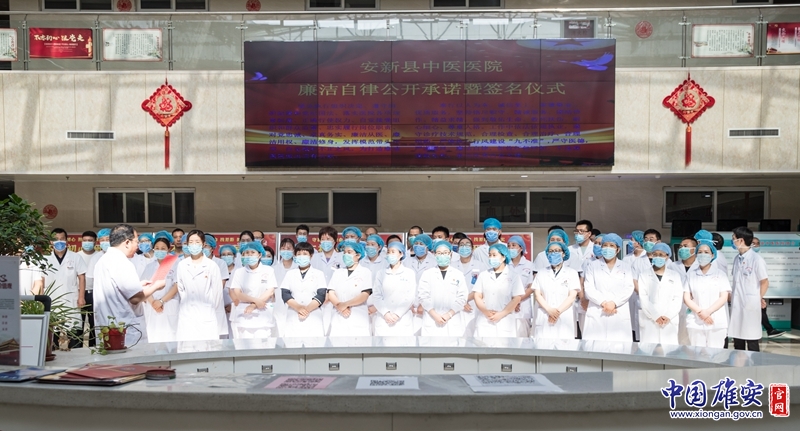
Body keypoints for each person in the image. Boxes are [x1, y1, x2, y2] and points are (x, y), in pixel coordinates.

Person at [93, 224, 168, 347]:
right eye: (136, 241)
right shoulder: (122, 262)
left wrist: (138, 285)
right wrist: (156, 286)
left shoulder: (103, 260)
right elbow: (135, 298)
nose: (138, 246)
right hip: (125, 331)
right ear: (127, 242)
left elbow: (116, 289)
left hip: (110, 326)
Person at [582, 233, 635, 343]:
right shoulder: (593, 266)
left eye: (611, 246)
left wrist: (614, 303)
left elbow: (629, 288)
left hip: (618, 310)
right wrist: (603, 303)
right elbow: (589, 287)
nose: (608, 248)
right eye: (605, 245)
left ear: (618, 249)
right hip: (598, 310)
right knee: (594, 346)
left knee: (618, 346)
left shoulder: (625, 267)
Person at [174, 230, 226, 341]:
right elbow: (181, 289)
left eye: (197, 242)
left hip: (206, 315)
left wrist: (208, 307)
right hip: (187, 315)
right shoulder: (182, 265)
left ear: (203, 244)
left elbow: (217, 293)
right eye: (191, 242)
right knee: (186, 347)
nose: (194, 245)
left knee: (207, 347)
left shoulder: (212, 265)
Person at [683, 240, 731, 348]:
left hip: (715, 321)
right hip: (695, 321)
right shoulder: (691, 275)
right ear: (696, 255)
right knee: (697, 353)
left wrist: (708, 312)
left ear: (712, 255)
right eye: (699, 252)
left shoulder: (720, 274)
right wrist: (700, 312)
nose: (703, 255)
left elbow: (724, 297)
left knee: (716, 353)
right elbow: (686, 298)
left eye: (706, 252)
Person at [44, 228, 87, 348]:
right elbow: (41, 281)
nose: (59, 242)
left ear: (67, 240)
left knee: (74, 330)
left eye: (62, 239)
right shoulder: (45, 259)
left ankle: (77, 353)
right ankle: (52, 353)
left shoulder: (76, 257)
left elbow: (82, 277)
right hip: (52, 299)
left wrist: (81, 297)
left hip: (71, 299)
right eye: (56, 239)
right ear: (51, 242)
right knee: (52, 332)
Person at [728, 226, 768, 351]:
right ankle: (738, 362)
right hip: (737, 304)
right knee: (738, 339)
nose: (732, 241)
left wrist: (758, 298)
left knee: (751, 339)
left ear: (741, 240)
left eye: (733, 239)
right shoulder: (737, 259)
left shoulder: (756, 260)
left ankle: (754, 363)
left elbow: (764, 282)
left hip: (750, 305)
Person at [417, 240, 468, 336]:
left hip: (452, 321)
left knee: (452, 345)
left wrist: (449, 314)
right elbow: (423, 296)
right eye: (439, 253)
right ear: (435, 255)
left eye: (445, 253)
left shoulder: (458, 274)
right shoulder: (427, 274)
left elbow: (462, 297)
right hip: (431, 320)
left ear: (450, 254)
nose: (442, 255)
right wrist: (434, 315)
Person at [473, 244, 524, 338]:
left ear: (504, 257)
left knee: (503, 346)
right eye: (490, 255)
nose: (491, 258)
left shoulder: (513, 276)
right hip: (485, 320)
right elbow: (477, 295)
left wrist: (501, 314)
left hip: (504, 320)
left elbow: (516, 298)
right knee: (482, 345)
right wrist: (486, 312)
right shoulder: (483, 275)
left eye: (494, 255)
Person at [636, 243, 683, 345]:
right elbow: (643, 297)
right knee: (648, 349)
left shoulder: (675, 275)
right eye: (655, 254)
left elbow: (678, 298)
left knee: (669, 349)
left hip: (669, 320)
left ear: (667, 256)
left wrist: (668, 315)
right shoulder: (644, 275)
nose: (658, 257)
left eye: (661, 255)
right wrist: (655, 315)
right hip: (650, 319)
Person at [532, 241, 580, 340]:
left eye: (557, 251)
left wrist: (557, 312)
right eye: (551, 251)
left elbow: (572, 296)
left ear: (563, 253)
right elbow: (538, 295)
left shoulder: (572, 273)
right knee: (543, 346)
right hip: (545, 314)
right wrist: (549, 310)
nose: (554, 253)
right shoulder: (541, 273)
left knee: (564, 347)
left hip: (564, 315)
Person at [230, 242, 278, 339]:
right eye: (247, 253)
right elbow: (238, 293)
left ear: (259, 255)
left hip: (263, 314)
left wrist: (253, 305)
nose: (249, 255)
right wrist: (256, 301)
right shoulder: (239, 272)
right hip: (244, 315)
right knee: (244, 344)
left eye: (252, 252)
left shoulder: (268, 270)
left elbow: (270, 291)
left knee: (263, 343)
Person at [280, 242, 327, 338]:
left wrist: (306, 310)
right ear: (295, 256)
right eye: (299, 254)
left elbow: (321, 295)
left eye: (305, 254)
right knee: (292, 344)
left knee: (314, 345)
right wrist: (298, 308)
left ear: (311, 256)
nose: (301, 256)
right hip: (294, 315)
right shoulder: (290, 274)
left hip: (313, 315)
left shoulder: (319, 274)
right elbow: (285, 294)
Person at [327, 241, 373, 337]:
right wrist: (339, 305)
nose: (345, 255)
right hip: (339, 316)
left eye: (349, 252)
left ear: (358, 255)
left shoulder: (365, 272)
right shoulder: (338, 272)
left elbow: (364, 295)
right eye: (344, 252)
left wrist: (345, 304)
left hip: (357, 316)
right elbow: (331, 292)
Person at [371, 242, 417, 337]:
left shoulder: (409, 273)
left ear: (401, 254)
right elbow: (376, 296)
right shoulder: (381, 273)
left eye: (393, 252)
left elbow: (410, 297)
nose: (390, 254)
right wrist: (386, 313)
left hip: (402, 319)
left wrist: (397, 314)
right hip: (383, 319)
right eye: (388, 252)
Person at [141, 232, 180, 343]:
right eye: (157, 248)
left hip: (168, 305)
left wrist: (161, 301)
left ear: (169, 249)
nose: (160, 250)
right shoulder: (149, 266)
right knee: (153, 338)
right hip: (152, 307)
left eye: (163, 248)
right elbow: (144, 287)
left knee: (170, 338)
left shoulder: (176, 263)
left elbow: (177, 285)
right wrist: (153, 302)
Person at [450, 235, 489, 334]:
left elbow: (483, 287)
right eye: (461, 245)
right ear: (458, 249)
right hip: (455, 305)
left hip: (474, 305)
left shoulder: (481, 265)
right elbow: (448, 288)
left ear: (472, 249)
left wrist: (464, 300)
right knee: (456, 335)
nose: (464, 247)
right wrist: (462, 302)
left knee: (474, 336)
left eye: (467, 245)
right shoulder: (451, 266)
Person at [752, 237, 785, 338]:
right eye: (753, 243)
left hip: (757, 292)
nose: (755, 245)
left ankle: (769, 330)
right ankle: (769, 330)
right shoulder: (744, 259)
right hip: (750, 293)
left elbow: (763, 280)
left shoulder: (759, 259)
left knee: (761, 311)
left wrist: (760, 296)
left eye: (757, 243)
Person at [506, 235, 535, 336]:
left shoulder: (529, 265)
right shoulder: (505, 265)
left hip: (523, 307)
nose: (510, 248)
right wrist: (512, 302)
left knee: (522, 338)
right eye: (508, 246)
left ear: (521, 248)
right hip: (506, 305)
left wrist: (517, 300)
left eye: (513, 245)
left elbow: (531, 287)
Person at [204, 234, 231, 339]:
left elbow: (220, 286)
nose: (203, 248)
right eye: (202, 245)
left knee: (218, 341)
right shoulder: (194, 263)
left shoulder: (220, 263)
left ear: (212, 248)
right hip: (199, 307)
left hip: (215, 305)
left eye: (206, 246)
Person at [76, 230, 98, 347]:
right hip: (78, 293)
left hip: (94, 293)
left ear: (95, 242)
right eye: (85, 240)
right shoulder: (76, 256)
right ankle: (77, 347)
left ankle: (93, 347)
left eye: (90, 240)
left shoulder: (99, 256)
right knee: (78, 323)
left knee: (94, 323)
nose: (87, 243)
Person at [219, 244, 238, 337]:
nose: (226, 257)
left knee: (234, 336)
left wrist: (233, 305)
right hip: (220, 308)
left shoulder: (239, 271)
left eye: (229, 254)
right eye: (224, 254)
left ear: (234, 256)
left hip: (235, 308)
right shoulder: (217, 270)